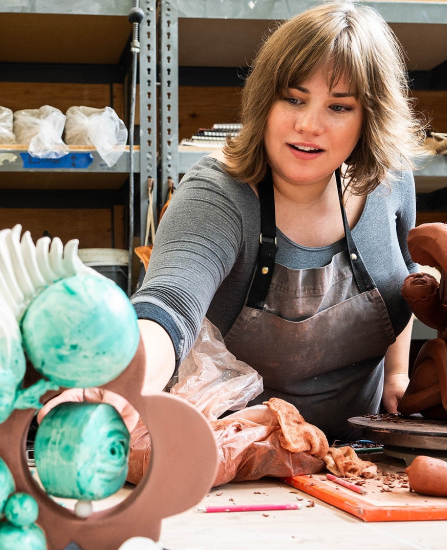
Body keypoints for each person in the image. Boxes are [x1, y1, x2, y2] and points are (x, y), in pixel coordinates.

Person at [131, 0, 425, 441]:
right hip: (242, 461)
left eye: (339, 107)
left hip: (364, 461)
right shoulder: (218, 191)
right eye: (294, 98)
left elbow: (406, 277)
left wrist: (399, 375)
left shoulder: (390, 180)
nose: (309, 124)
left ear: (370, 118)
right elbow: (169, 304)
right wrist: (122, 382)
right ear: (264, 100)